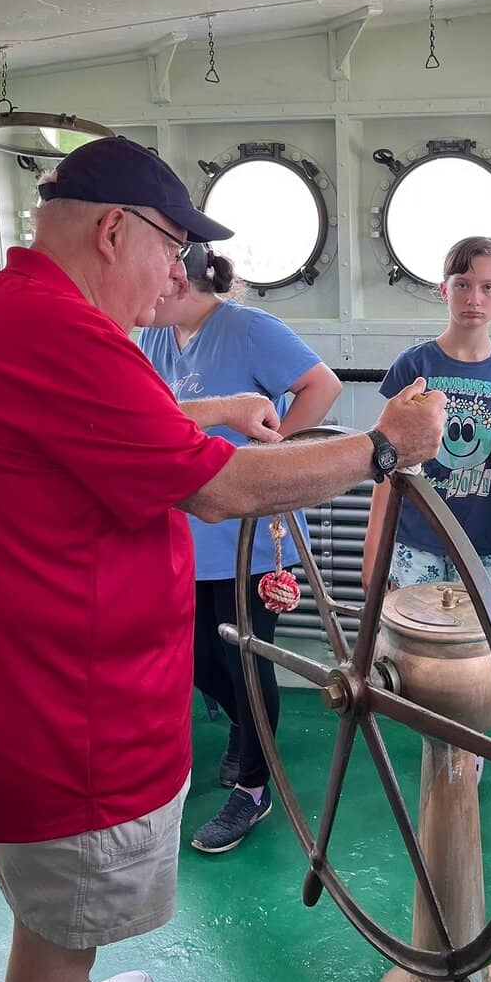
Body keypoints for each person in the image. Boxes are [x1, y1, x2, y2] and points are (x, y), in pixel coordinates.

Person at [0, 135, 445, 982]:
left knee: (52, 914)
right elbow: (220, 491)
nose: (172, 280)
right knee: (59, 936)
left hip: (12, 695)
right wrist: (386, 445)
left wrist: (222, 405)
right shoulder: (60, 334)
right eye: (171, 250)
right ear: (115, 231)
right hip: (67, 721)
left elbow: (105, 426)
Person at [138, 246, 341, 852]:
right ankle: (246, 732)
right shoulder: (154, 341)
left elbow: (320, 385)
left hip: (250, 540)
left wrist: (278, 458)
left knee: (247, 661)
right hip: (186, 534)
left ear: (184, 280)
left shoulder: (249, 329)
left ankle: (254, 789)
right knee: (199, 659)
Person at [362, 236, 491, 608]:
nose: (474, 298)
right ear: (444, 290)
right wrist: (374, 548)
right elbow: (386, 462)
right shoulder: (413, 366)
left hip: (484, 547)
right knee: (413, 651)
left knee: (470, 657)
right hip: (416, 542)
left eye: (488, 287)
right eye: (462, 285)